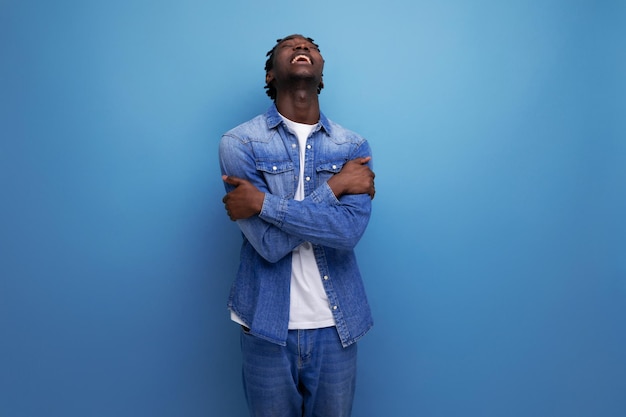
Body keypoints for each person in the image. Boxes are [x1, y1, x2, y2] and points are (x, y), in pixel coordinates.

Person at [219, 34, 375, 417]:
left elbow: (347, 233)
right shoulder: (240, 143)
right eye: (288, 45)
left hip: (337, 326)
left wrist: (262, 203)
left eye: (310, 44)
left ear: (320, 75)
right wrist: (336, 186)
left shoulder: (352, 146)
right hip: (266, 325)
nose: (301, 46)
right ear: (271, 75)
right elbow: (269, 245)